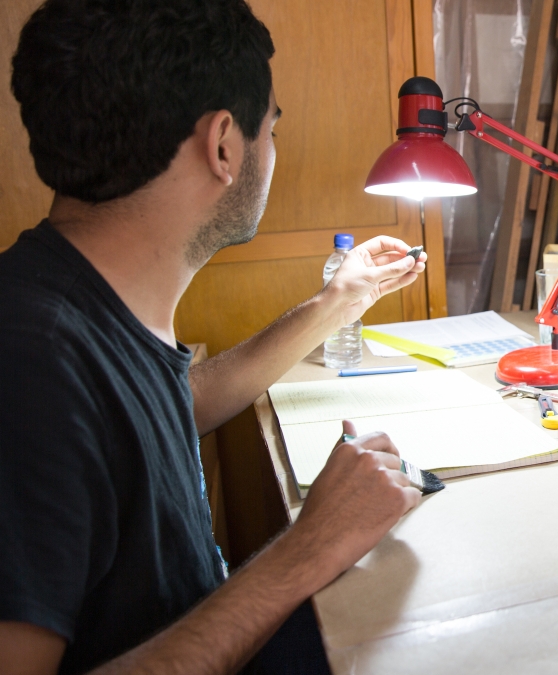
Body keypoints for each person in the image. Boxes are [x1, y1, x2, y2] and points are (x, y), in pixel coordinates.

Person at [0, 0, 430, 673]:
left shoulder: (70, 300)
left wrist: (336, 303)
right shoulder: (30, 364)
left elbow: (161, 409)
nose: (271, 150)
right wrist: (305, 548)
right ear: (224, 145)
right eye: (272, 131)